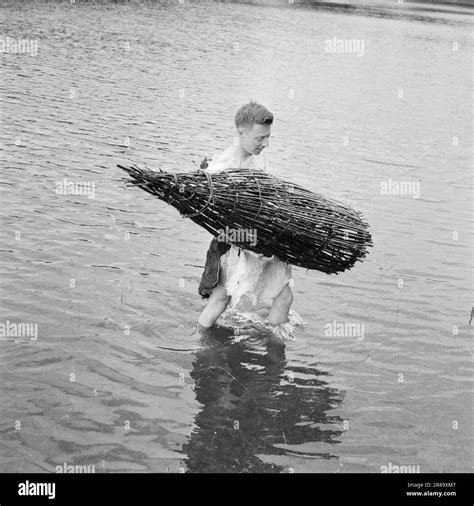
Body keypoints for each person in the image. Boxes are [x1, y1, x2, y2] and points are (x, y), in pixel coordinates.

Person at [197, 101, 295, 340]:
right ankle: (201, 343)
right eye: (260, 138)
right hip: (237, 245)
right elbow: (220, 222)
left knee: (283, 296)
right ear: (241, 132)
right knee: (220, 299)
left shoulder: (253, 160)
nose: (266, 144)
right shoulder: (222, 170)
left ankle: (274, 348)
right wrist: (251, 246)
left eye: (268, 137)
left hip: (257, 242)